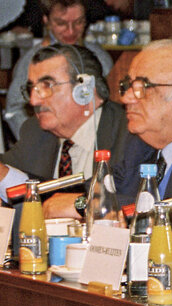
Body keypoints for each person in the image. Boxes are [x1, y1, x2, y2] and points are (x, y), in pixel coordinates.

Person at [43, 36, 172, 216]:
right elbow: (103, 188)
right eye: (128, 86)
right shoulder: (142, 141)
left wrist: (84, 204)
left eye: (143, 87)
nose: (126, 98)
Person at [0, 44, 129, 203]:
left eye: (47, 86)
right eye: (31, 89)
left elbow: (129, 201)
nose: (34, 100)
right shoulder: (35, 131)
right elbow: (8, 176)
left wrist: (77, 203)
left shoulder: (128, 132)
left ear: (84, 90)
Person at [4, 0, 113, 139]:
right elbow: (14, 110)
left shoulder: (100, 59)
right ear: (46, 20)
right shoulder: (31, 62)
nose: (71, 31)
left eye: (79, 22)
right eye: (61, 23)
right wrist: (36, 144)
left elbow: (112, 110)